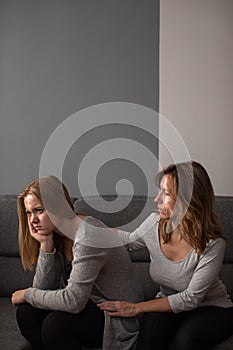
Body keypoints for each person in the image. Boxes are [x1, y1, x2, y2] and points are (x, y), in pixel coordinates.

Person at [98, 161, 233, 350]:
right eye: (160, 190)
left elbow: (191, 298)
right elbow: (128, 242)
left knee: (186, 340)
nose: (157, 199)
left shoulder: (213, 243)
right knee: (150, 332)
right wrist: (90, 229)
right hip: (167, 303)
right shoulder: (155, 223)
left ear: (188, 200)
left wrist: (136, 308)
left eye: (166, 193)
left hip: (210, 308)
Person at [12, 176, 143, 350]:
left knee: (55, 326)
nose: (32, 220)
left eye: (39, 210)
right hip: (89, 306)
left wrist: (28, 294)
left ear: (58, 206)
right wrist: (46, 246)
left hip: (116, 315)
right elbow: (43, 290)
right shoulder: (57, 234)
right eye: (29, 213)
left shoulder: (87, 236)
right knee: (26, 313)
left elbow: (73, 301)